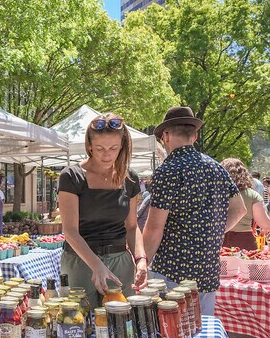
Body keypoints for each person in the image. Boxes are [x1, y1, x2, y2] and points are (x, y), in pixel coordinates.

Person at [143, 106, 246, 316]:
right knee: (202, 333)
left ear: (166, 136)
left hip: (172, 271)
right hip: (207, 270)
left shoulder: (167, 171)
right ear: (195, 135)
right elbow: (240, 209)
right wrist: (211, 232)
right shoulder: (216, 168)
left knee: (172, 334)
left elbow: (154, 228)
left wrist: (141, 264)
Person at [57, 113, 147, 310]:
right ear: (89, 146)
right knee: (78, 324)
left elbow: (132, 227)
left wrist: (141, 259)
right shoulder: (71, 176)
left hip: (119, 262)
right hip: (80, 262)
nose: (107, 155)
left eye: (113, 148)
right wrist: (96, 265)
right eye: (100, 149)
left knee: (123, 325)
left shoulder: (129, 178)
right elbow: (70, 231)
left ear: (122, 146)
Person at [221, 159, 270, 250]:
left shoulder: (215, 194)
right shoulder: (252, 195)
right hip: (244, 242)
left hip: (218, 240)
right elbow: (265, 224)